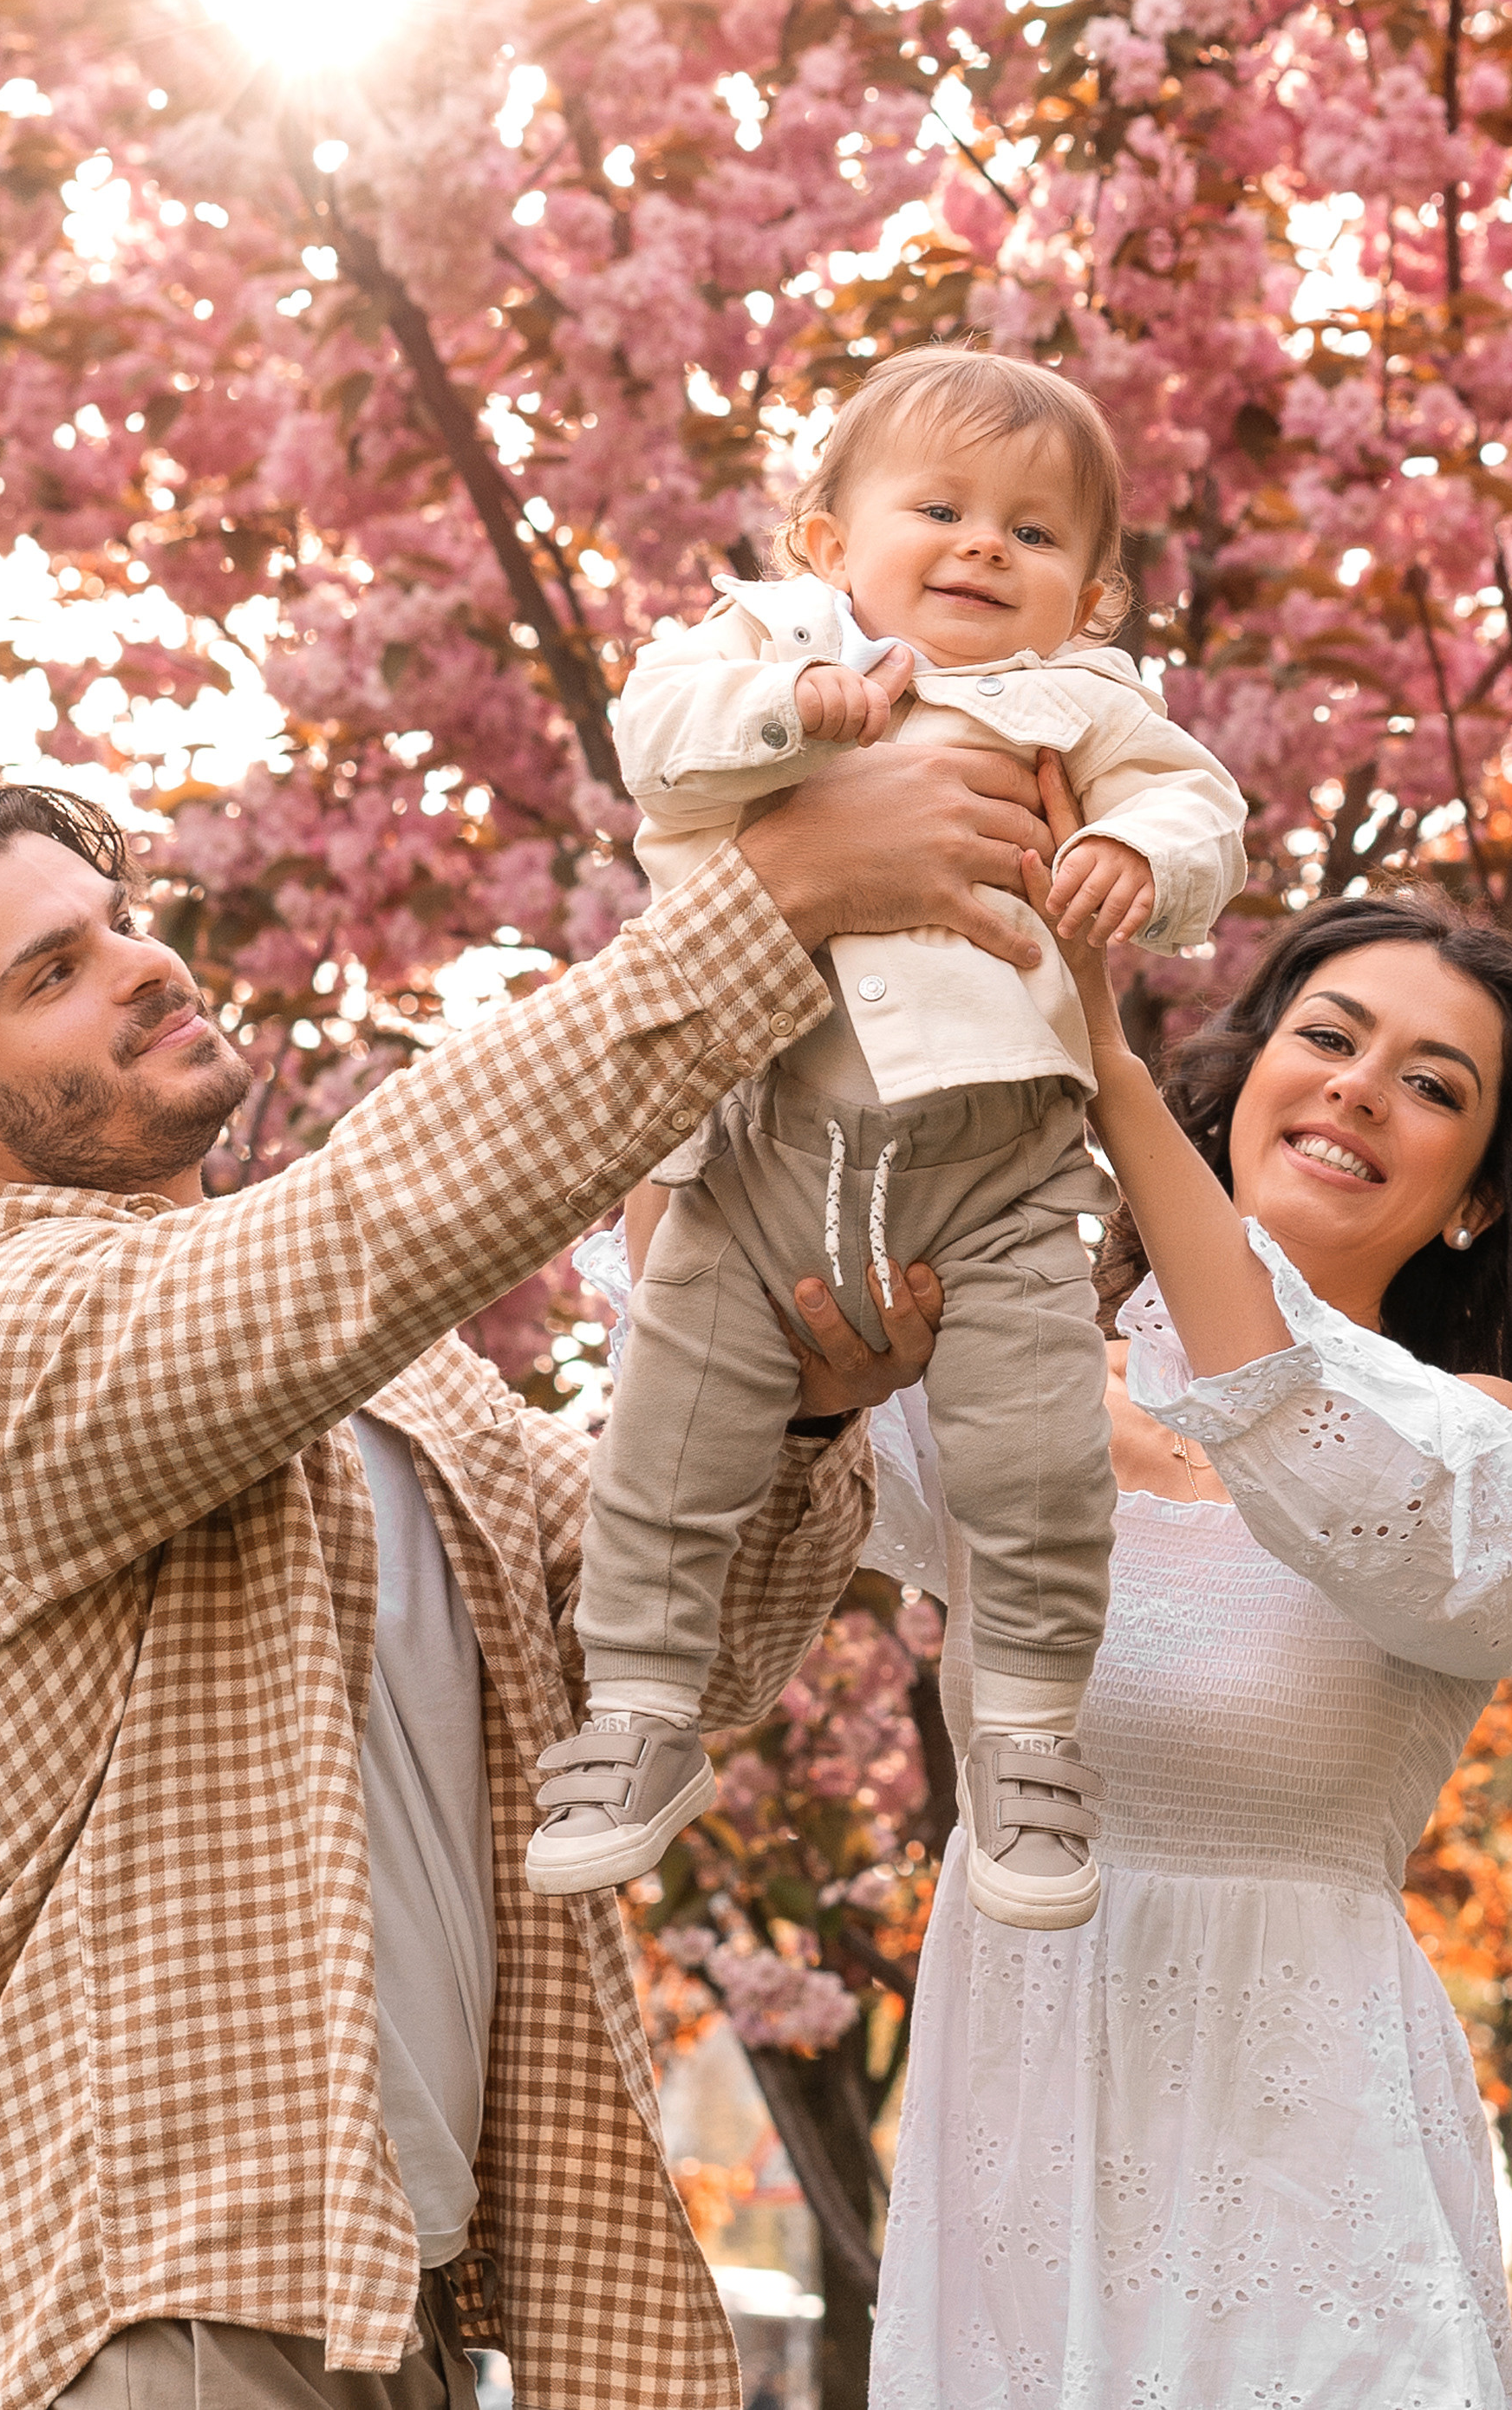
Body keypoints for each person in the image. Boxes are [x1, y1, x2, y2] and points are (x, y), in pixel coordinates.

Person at [0, 740, 1059, 2410]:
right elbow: (358, 1233)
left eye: (119, 920)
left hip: (395, 2293)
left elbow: (684, 1653)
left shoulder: (408, 1382)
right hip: (146, 2289)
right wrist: (768, 899)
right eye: (51, 973)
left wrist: (798, 1413)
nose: (142, 965)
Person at [858, 855, 1512, 2409]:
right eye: (1329, 1037)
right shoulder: (1018, 1384)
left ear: (1476, 1196)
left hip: (1314, 2203)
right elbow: (725, 1354)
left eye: (1429, 1083)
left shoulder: (1475, 1449)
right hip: (1020, 2169)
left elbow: (1269, 1405)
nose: (1358, 1088)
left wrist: (1106, 1065)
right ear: (1248, 1082)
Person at [527, 350, 1247, 1931]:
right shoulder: (762, 644)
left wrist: (1134, 848)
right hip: (760, 1149)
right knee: (667, 1440)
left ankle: (1027, 1737)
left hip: (996, 1173)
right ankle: (638, 1707)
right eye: (938, 509)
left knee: (1035, 1456)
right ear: (823, 543)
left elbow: (1199, 809)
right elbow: (655, 737)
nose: (983, 544)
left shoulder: (1084, 702)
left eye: (1032, 533)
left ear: (1092, 599)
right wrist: (794, 711)